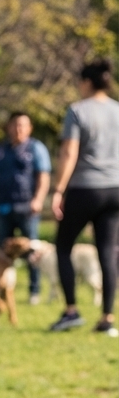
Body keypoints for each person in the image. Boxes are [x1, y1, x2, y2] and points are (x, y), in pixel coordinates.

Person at [49, 58, 119, 336]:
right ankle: (107, 317)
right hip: (114, 189)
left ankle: (71, 311)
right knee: (108, 251)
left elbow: (69, 152)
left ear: (87, 82)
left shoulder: (78, 110)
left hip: (85, 188)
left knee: (63, 246)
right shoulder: (117, 110)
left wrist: (58, 190)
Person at [0, 112, 51, 302]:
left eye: (22, 125)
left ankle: (34, 291)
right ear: (9, 127)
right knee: (2, 252)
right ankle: (0, 290)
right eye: (15, 125)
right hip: (4, 207)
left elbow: (43, 176)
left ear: (30, 128)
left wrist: (38, 199)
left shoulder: (36, 148)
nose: (18, 129)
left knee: (31, 251)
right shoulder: (0, 151)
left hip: (27, 208)